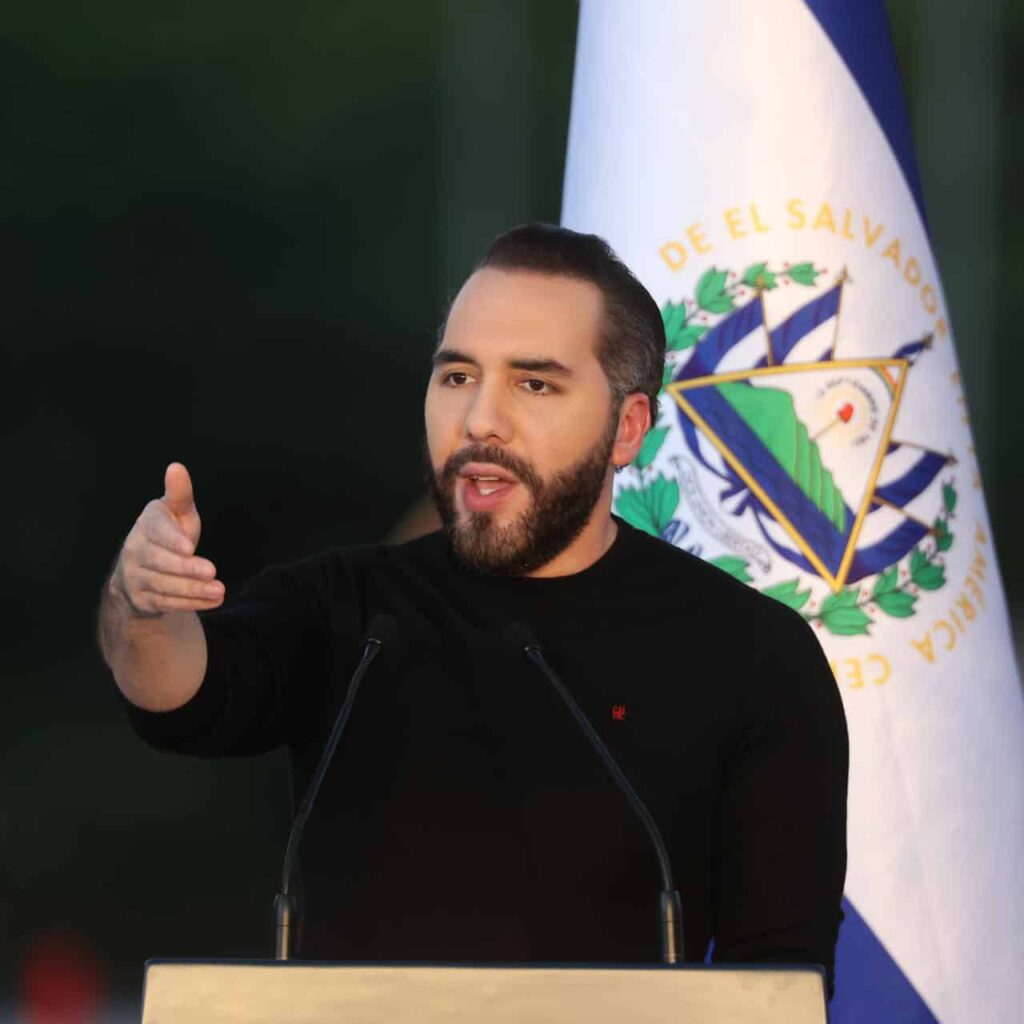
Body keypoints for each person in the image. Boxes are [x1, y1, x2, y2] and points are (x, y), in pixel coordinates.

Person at [98, 223, 848, 992]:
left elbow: (781, 986)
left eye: (535, 384)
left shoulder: (753, 654)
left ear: (626, 429)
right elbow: (180, 695)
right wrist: (141, 599)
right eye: (457, 376)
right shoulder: (349, 611)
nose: (481, 419)